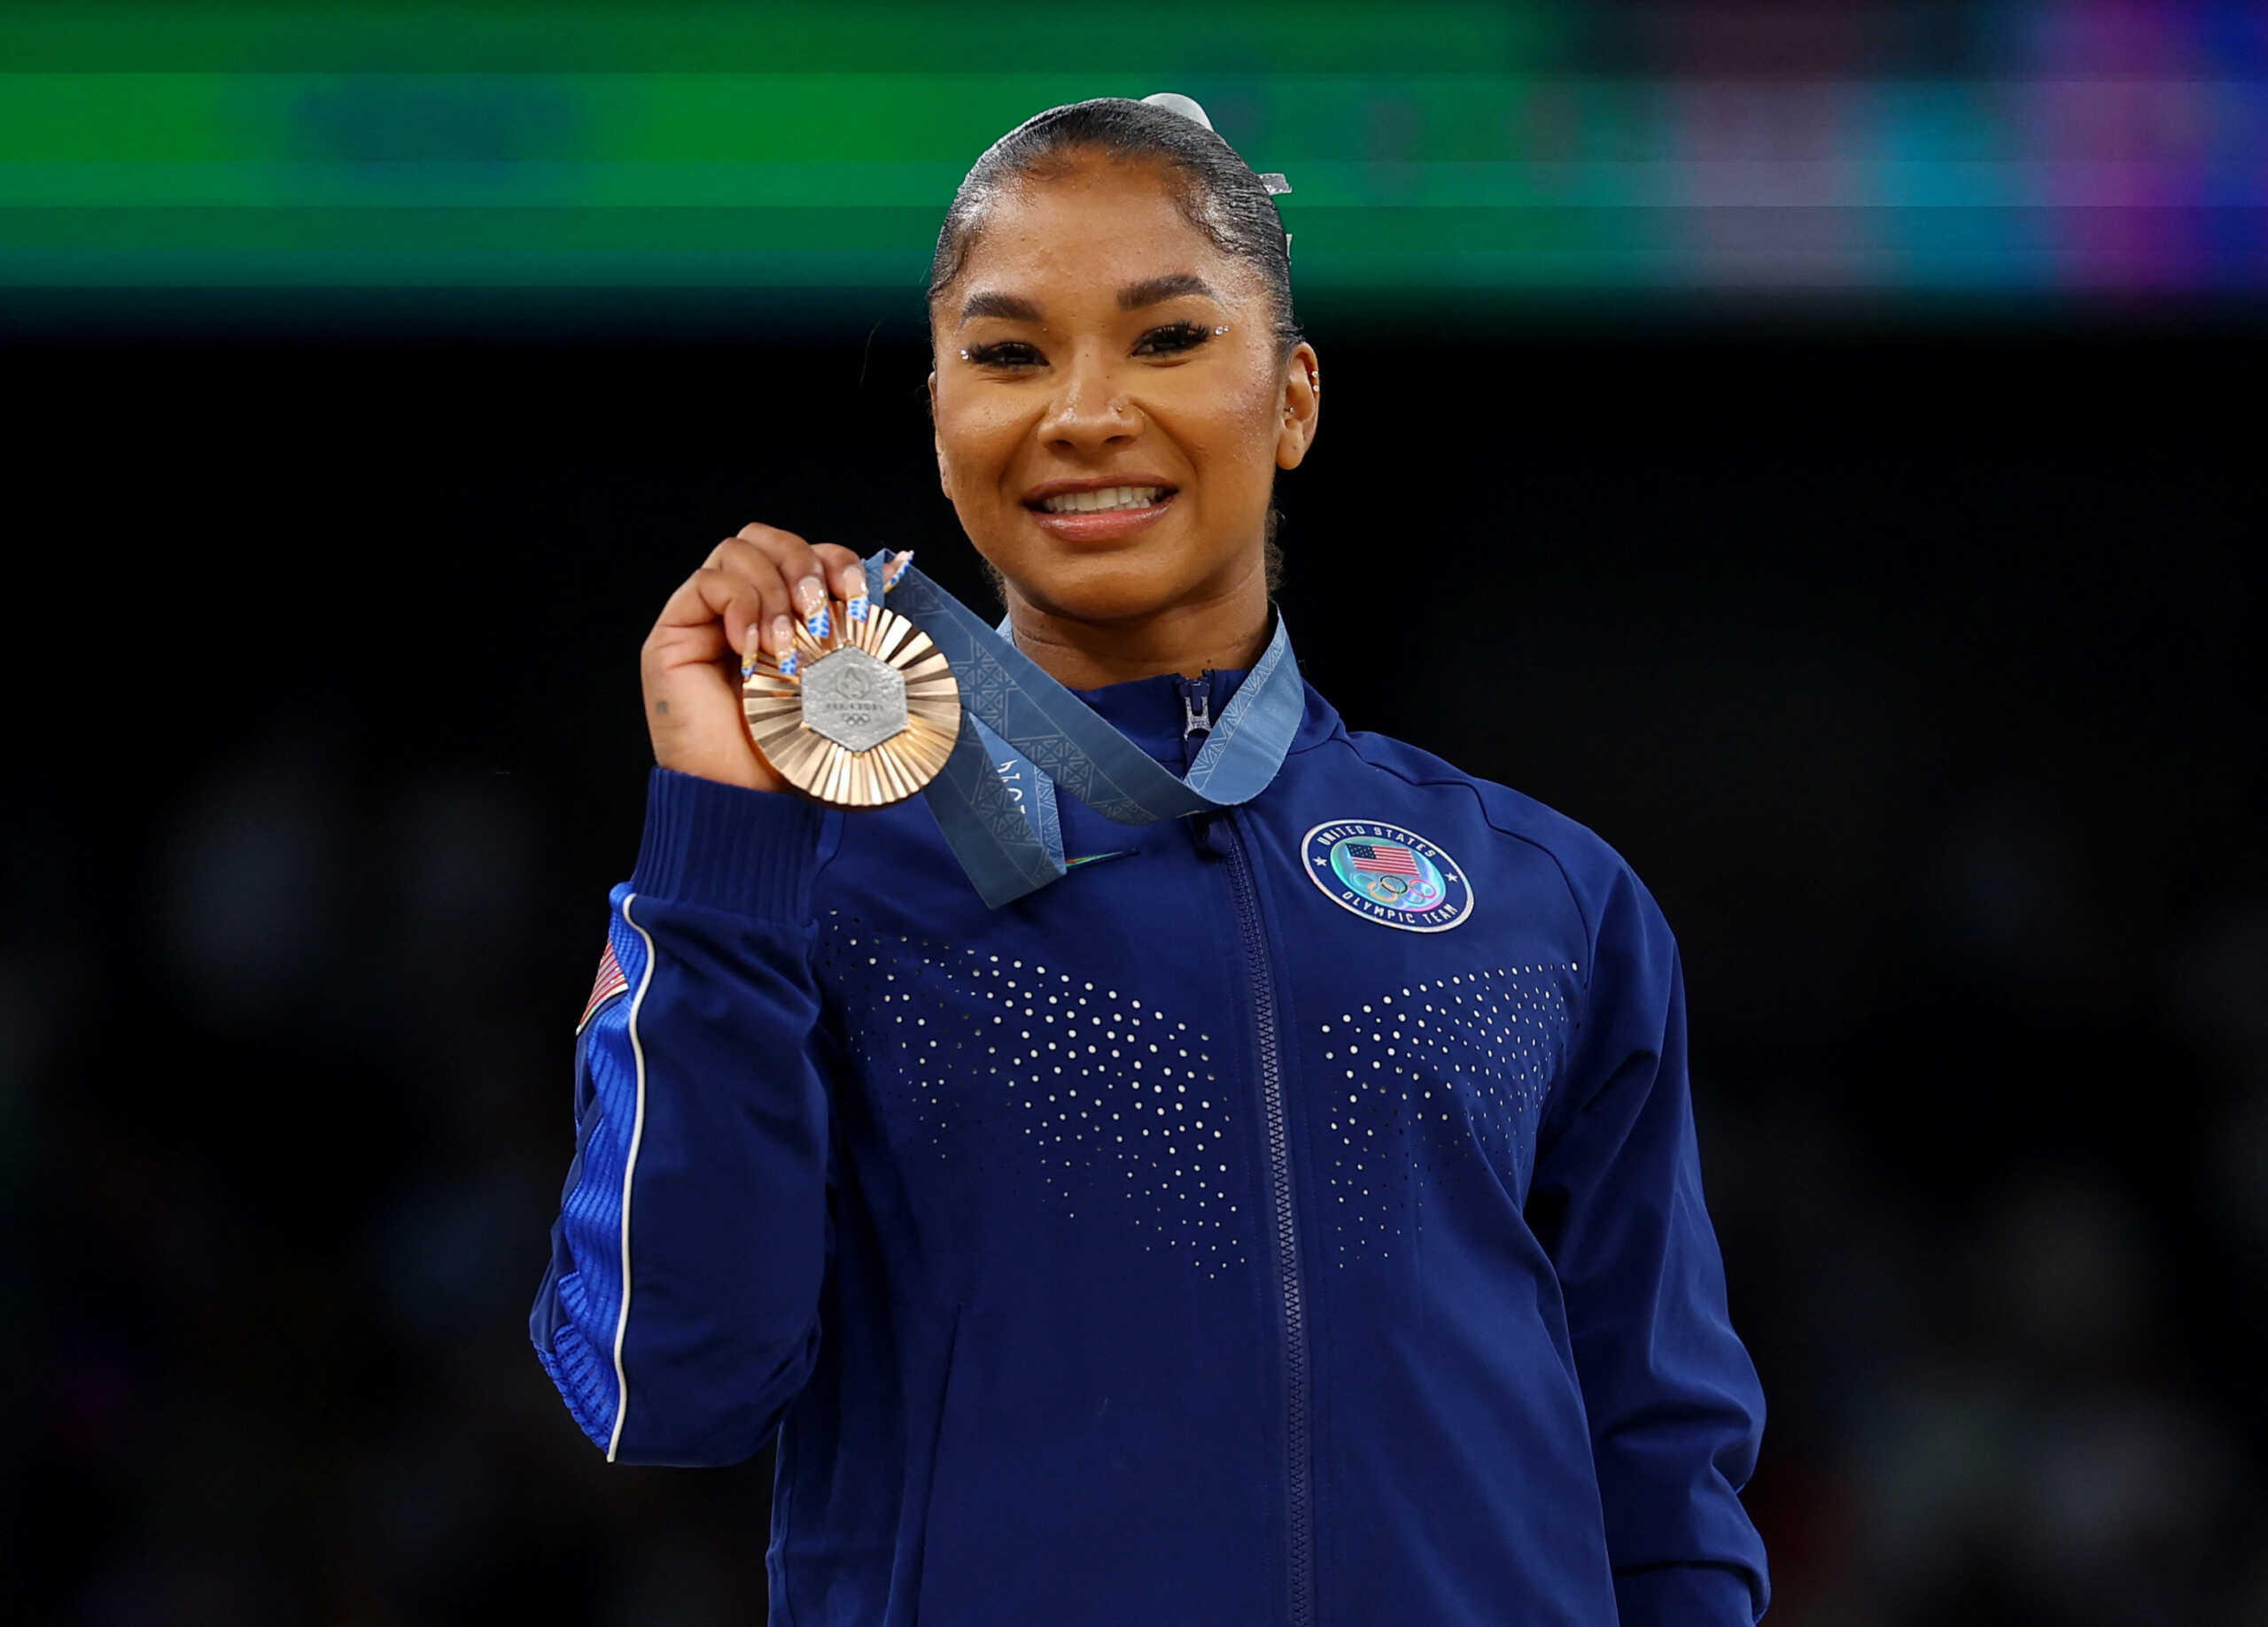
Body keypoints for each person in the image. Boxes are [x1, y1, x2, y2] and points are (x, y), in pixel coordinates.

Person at [531, 95, 1769, 1626]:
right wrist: (719, 831)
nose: (1085, 411)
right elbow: (666, 1382)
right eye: (1008, 353)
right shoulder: (803, 883)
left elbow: (1663, 1470)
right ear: (938, 413)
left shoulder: (1542, 897)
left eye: (1168, 338)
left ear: (1295, 396)